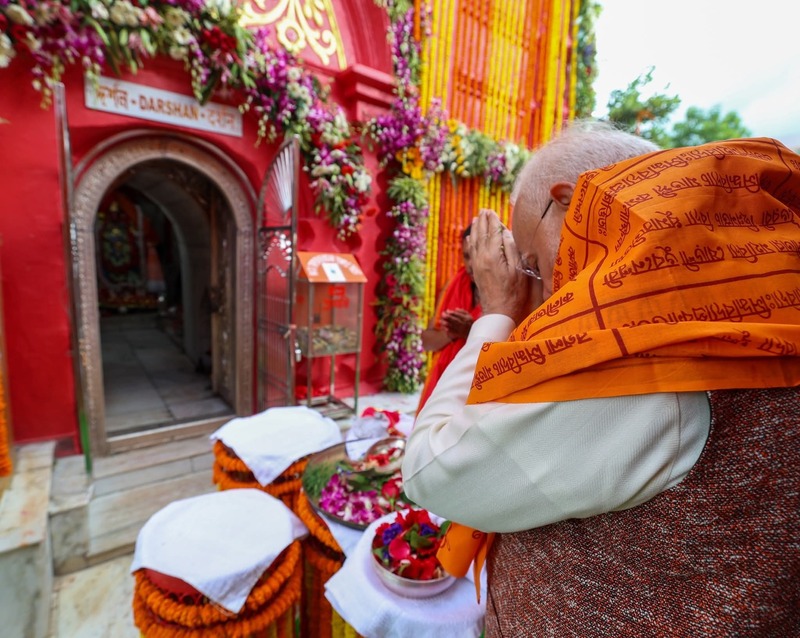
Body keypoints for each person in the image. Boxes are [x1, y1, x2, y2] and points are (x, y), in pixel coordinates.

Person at [402, 121, 800, 635]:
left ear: (569, 204)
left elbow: (431, 471)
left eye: (532, 266)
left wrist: (497, 311)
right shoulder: (748, 288)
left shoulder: (645, 349)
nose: (541, 295)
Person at [416, 226, 482, 412]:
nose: (470, 264)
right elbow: (427, 341)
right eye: (466, 256)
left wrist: (472, 331)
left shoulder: (507, 292)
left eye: (475, 254)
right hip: (442, 384)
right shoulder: (453, 285)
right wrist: (453, 334)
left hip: (476, 392)